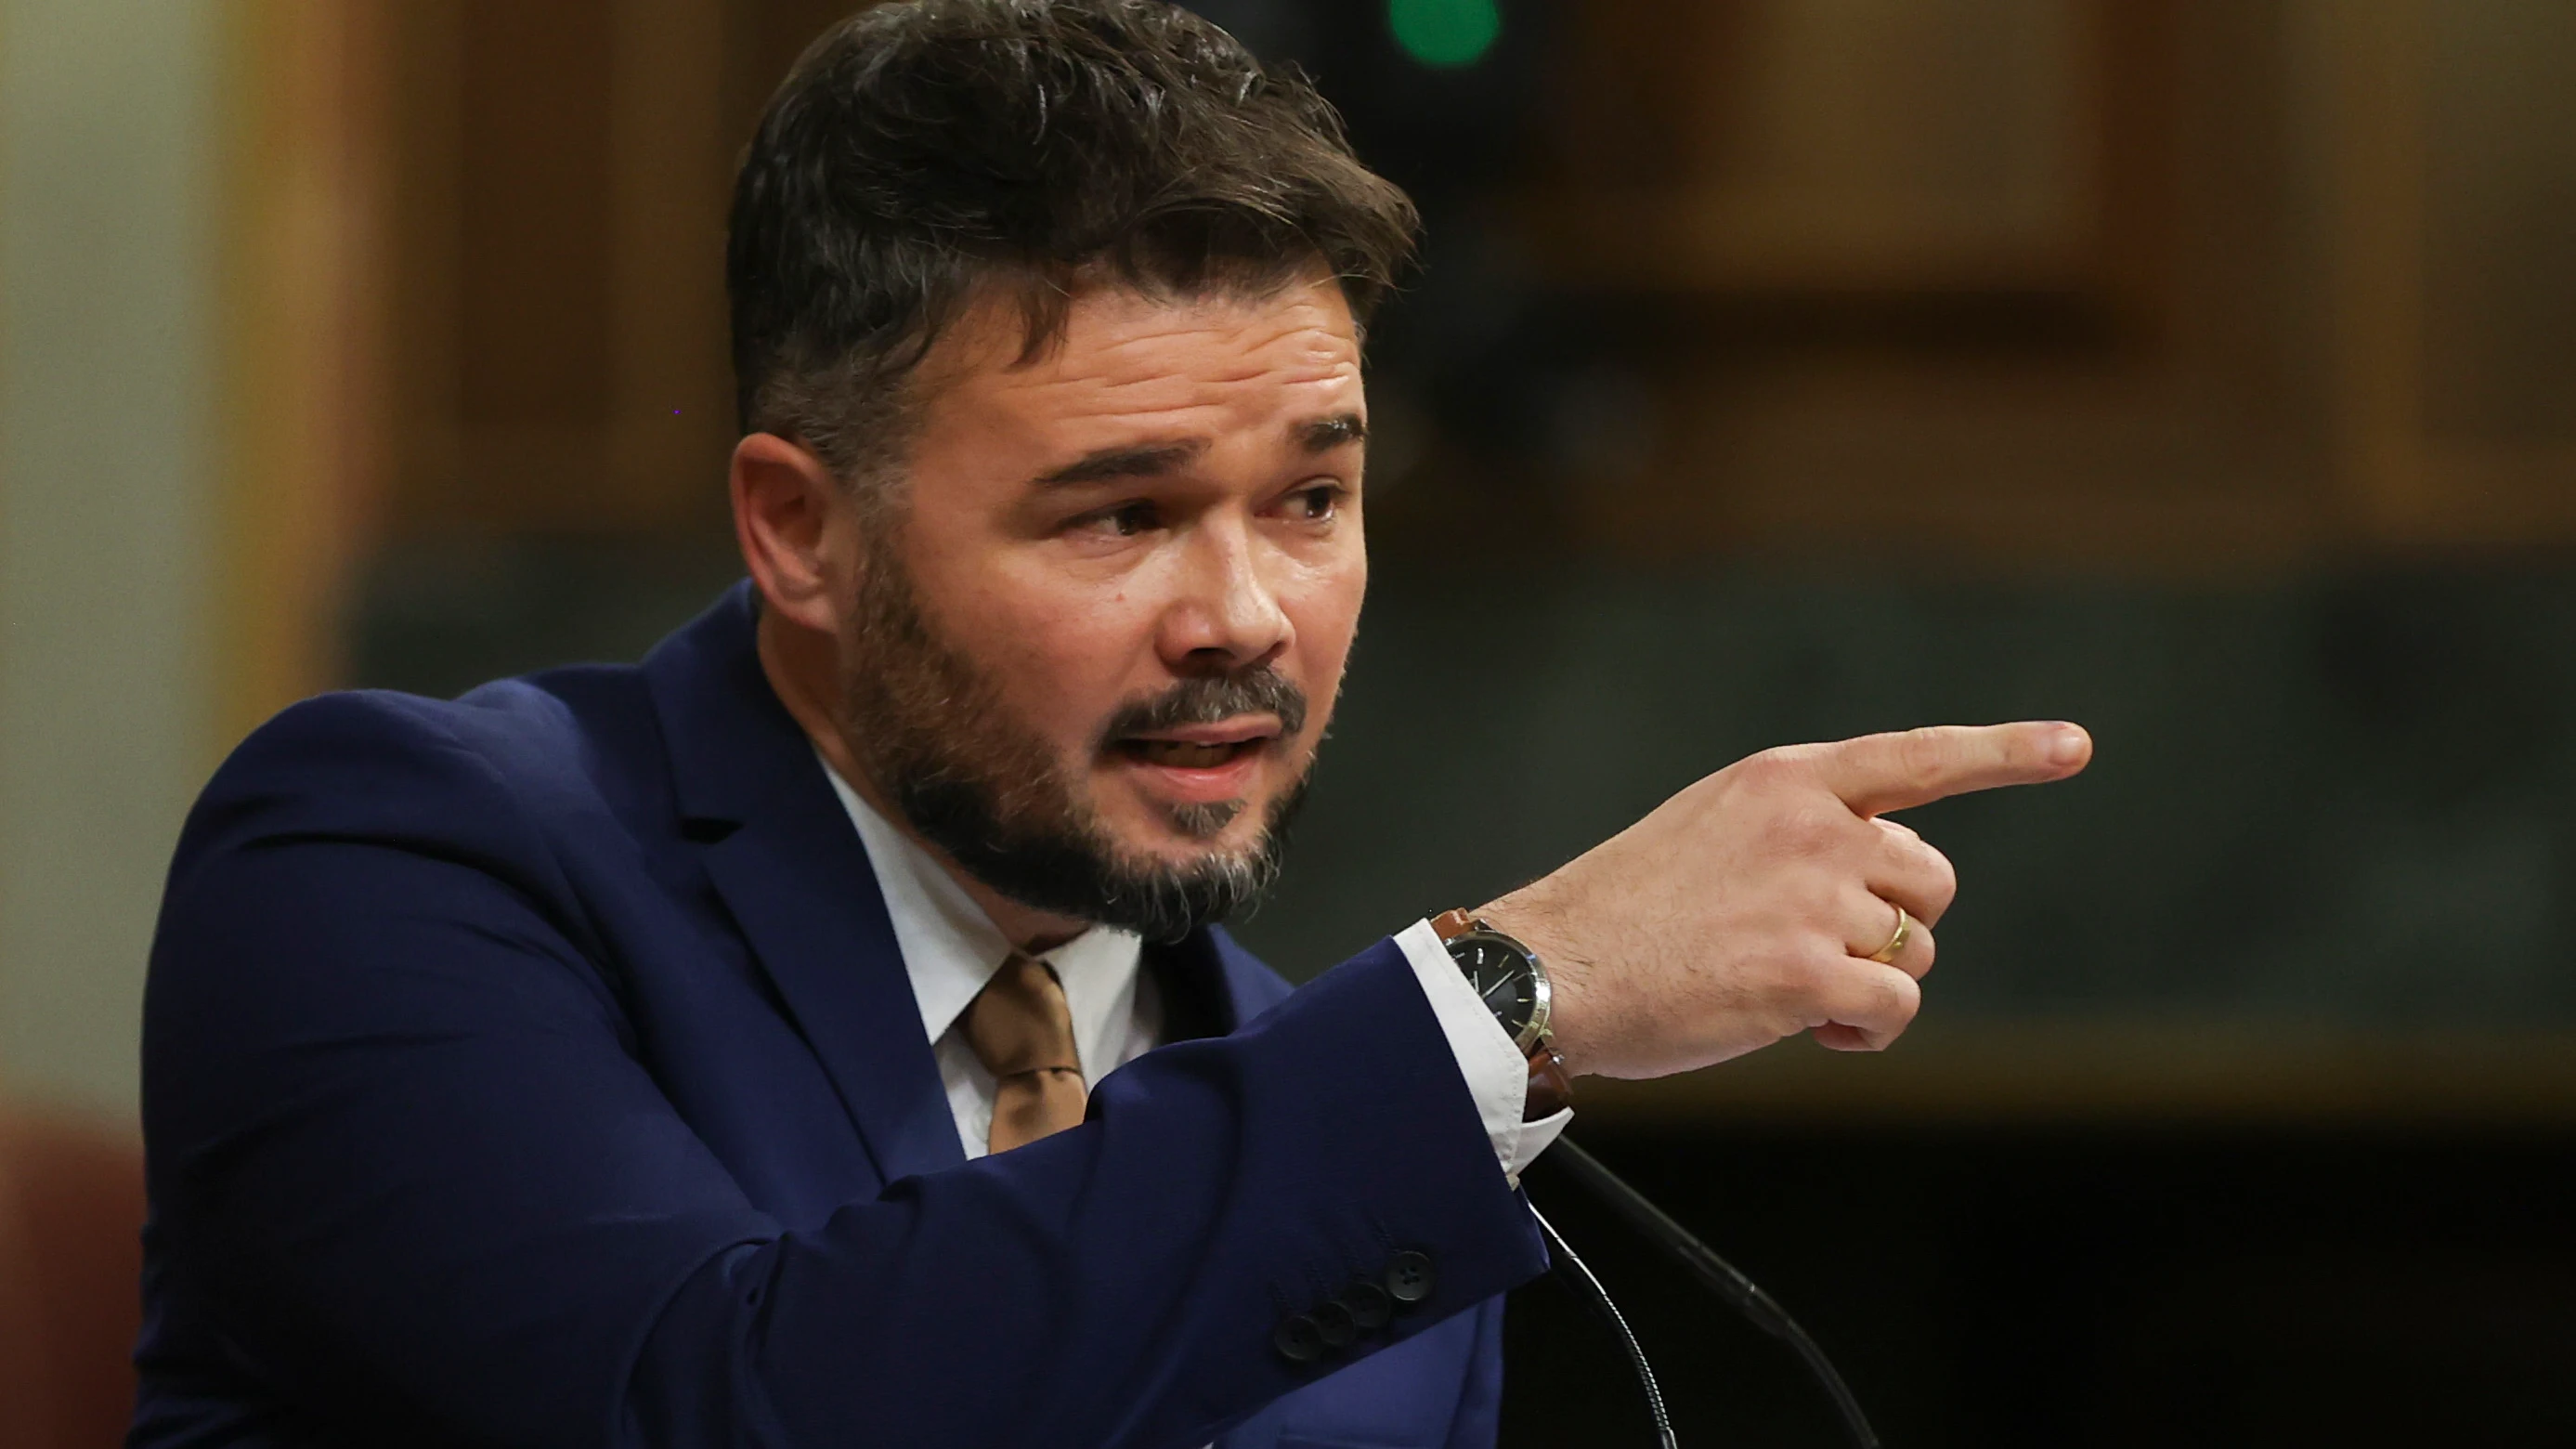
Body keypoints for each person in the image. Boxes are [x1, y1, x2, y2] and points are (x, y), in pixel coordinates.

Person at [130, 3, 2092, 1445]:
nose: (1243, 614)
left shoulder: (1365, 1171)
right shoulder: (393, 862)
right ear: (801, 530)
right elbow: (706, 1407)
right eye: (1121, 513)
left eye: (1312, 499)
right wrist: (1505, 1000)